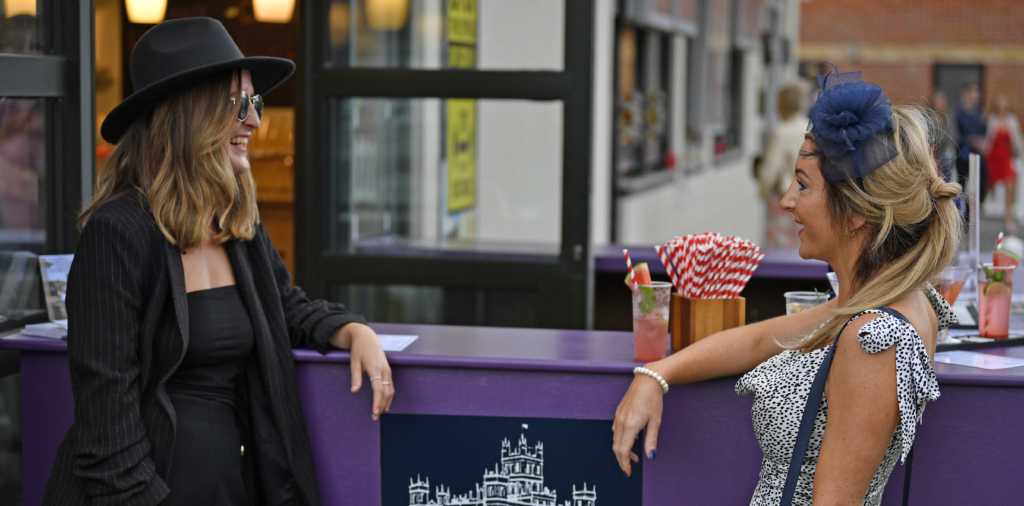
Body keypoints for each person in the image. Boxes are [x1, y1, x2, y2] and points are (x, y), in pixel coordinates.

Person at [43, 18, 394, 506]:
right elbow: (108, 436)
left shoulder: (234, 222)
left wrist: (354, 331)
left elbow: (283, 307)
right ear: (190, 115)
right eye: (239, 104)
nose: (254, 121)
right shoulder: (118, 233)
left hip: (231, 487)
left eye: (256, 103)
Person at [613, 68, 961, 505]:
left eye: (803, 184)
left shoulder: (875, 338)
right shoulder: (880, 305)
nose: (786, 201)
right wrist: (656, 374)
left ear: (855, 213)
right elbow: (761, 338)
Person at [758, 83, 809, 249]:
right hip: (810, 202)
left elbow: (768, 173)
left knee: (780, 249)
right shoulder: (812, 128)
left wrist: (763, 192)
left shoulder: (780, 132)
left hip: (785, 201)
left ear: (780, 105)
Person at [984, 93, 1024, 234]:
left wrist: (1019, 153)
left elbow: (1017, 140)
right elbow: (988, 140)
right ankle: (980, 215)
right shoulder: (992, 120)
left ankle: (1009, 217)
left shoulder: (1012, 121)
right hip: (993, 157)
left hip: (1006, 157)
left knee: (1010, 185)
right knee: (988, 187)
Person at [955, 83, 988, 202]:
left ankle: (975, 209)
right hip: (963, 152)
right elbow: (956, 134)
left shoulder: (979, 114)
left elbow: (983, 131)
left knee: (982, 180)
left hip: (977, 152)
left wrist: (980, 141)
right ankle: (962, 212)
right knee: (962, 180)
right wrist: (970, 140)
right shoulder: (958, 113)